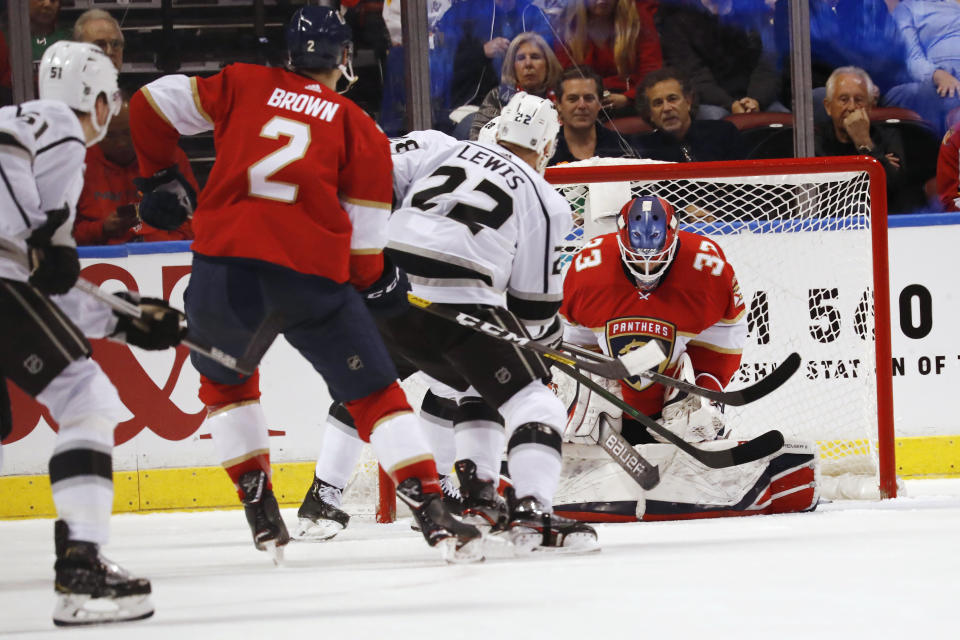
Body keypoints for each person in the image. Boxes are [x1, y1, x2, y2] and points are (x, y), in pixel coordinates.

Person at [127, 5, 482, 563]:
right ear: (344, 57)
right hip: (308, 276)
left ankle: (258, 503)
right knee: (374, 393)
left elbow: (146, 104)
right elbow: (365, 255)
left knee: (227, 386)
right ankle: (433, 510)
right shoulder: (356, 125)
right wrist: (381, 286)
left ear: (290, 53)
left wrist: (159, 175)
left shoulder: (241, 82)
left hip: (224, 270)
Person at [0, 40, 187, 626]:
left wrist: (127, 318)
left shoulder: (34, 137)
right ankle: (81, 569)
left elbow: (47, 290)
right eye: (114, 96)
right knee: (85, 396)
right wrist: (47, 231)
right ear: (99, 99)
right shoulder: (54, 124)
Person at [365, 93, 599, 553]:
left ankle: (477, 500)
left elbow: (381, 185)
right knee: (538, 404)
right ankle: (534, 514)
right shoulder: (544, 197)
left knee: (480, 385)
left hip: (388, 295)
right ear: (548, 146)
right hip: (458, 301)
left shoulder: (441, 149)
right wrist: (546, 343)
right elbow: (533, 308)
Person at [556, 194, 819, 521]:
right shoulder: (586, 268)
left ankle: (682, 425)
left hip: (670, 405)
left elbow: (725, 335)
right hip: (611, 408)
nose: (647, 271)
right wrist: (576, 386)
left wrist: (705, 387)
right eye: (637, 261)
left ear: (675, 237)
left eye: (658, 258)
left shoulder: (708, 268)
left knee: (693, 424)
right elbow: (569, 338)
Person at [74, 96, 195, 245]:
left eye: (128, 133)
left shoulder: (170, 157)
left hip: (163, 251)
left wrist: (155, 236)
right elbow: (62, 235)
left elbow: (195, 220)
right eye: (110, 136)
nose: (121, 143)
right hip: (100, 254)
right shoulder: (77, 163)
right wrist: (101, 229)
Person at [815, 66, 926, 214]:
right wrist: (878, 163)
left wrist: (864, 142)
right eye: (844, 99)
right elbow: (825, 197)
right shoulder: (817, 142)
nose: (852, 107)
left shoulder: (889, 137)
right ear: (828, 107)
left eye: (859, 100)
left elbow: (893, 189)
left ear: (870, 106)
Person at [434, 0, 554, 136]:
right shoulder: (462, 13)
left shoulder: (534, 14)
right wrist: (481, 52)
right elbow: (442, 66)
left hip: (528, 104)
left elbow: (551, 60)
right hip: (471, 105)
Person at [658, 0, 784, 120]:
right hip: (710, 101)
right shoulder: (678, 20)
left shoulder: (753, 11)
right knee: (718, 118)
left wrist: (756, 100)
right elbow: (694, 76)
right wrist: (731, 104)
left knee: (783, 117)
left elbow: (769, 64)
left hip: (755, 97)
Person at [553, 0, 663, 114]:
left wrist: (629, 98)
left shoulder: (637, 20)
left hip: (635, 101)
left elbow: (651, 70)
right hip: (584, 103)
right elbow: (566, 77)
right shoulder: (567, 27)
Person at [634, 67, 746, 162]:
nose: (667, 108)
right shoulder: (643, 150)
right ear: (650, 113)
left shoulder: (724, 133)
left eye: (672, 99)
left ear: (688, 101)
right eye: (658, 103)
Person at [468, 31, 563, 140]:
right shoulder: (500, 96)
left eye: (535, 57)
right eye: (521, 58)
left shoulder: (564, 96)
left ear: (548, 63)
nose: (528, 64)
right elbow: (478, 138)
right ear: (513, 66)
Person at [886, 0, 960, 135]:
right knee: (946, 94)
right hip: (937, 77)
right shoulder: (908, 8)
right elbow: (911, 58)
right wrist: (936, 74)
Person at [549, 66, 640, 164]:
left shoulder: (623, 147)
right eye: (573, 99)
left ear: (600, 103)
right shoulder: (543, 150)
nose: (581, 105)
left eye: (589, 98)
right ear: (558, 105)